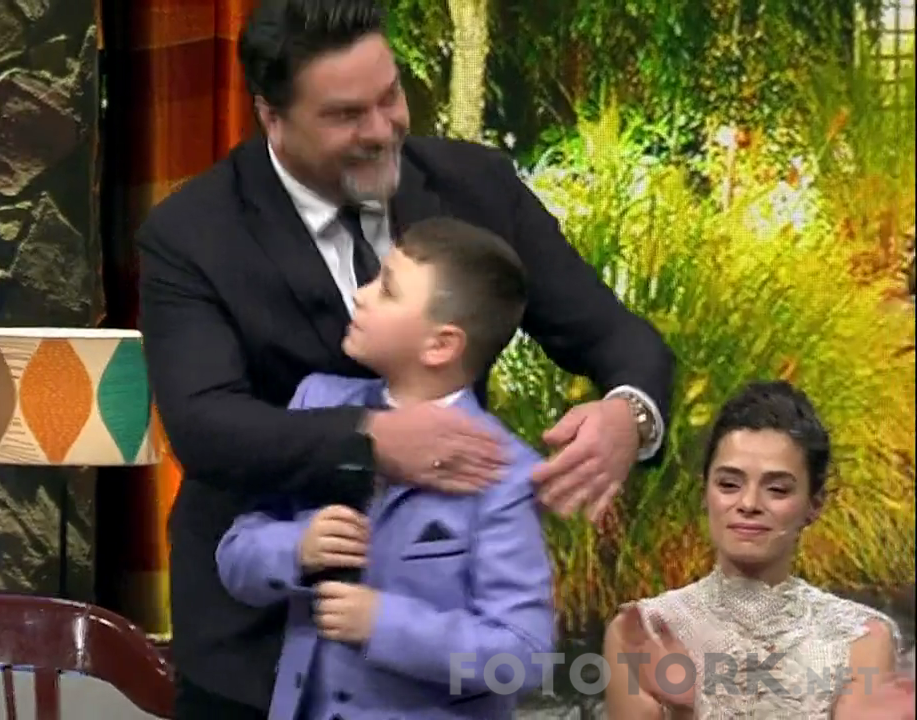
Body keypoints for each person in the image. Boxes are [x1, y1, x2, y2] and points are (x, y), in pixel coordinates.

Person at [137, 0, 674, 715]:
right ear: (272, 117)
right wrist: (373, 439)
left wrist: (628, 414)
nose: (382, 128)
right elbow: (205, 425)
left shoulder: (477, 187)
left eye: (390, 96)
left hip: (442, 679)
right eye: (345, 115)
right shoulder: (192, 234)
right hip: (256, 664)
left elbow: (617, 336)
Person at [215, 217, 554, 720]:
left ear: (441, 345)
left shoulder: (503, 473)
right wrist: (296, 548)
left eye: (387, 289)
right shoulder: (317, 405)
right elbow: (235, 558)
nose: (360, 295)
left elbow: (523, 657)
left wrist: (383, 624)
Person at [602, 381, 914, 719]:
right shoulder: (643, 632)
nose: (749, 503)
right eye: (729, 485)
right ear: (705, 493)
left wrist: (695, 706)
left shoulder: (861, 639)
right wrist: (682, 709)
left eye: (777, 489)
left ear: (814, 504)